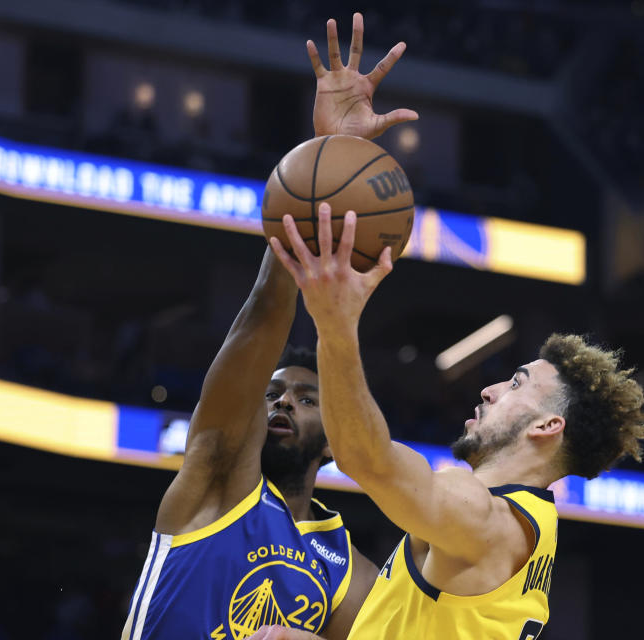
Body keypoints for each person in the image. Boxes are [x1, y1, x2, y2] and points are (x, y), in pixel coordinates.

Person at [121, 14, 418, 640]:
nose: (282, 399)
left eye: (307, 398)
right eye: (275, 392)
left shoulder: (349, 571)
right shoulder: (216, 474)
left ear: (337, 440)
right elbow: (258, 323)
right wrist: (321, 175)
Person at [257, 206, 644, 639]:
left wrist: (335, 322)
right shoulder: (527, 527)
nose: (490, 390)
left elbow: (364, 459)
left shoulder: (483, 514)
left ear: (547, 427)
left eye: (517, 385)